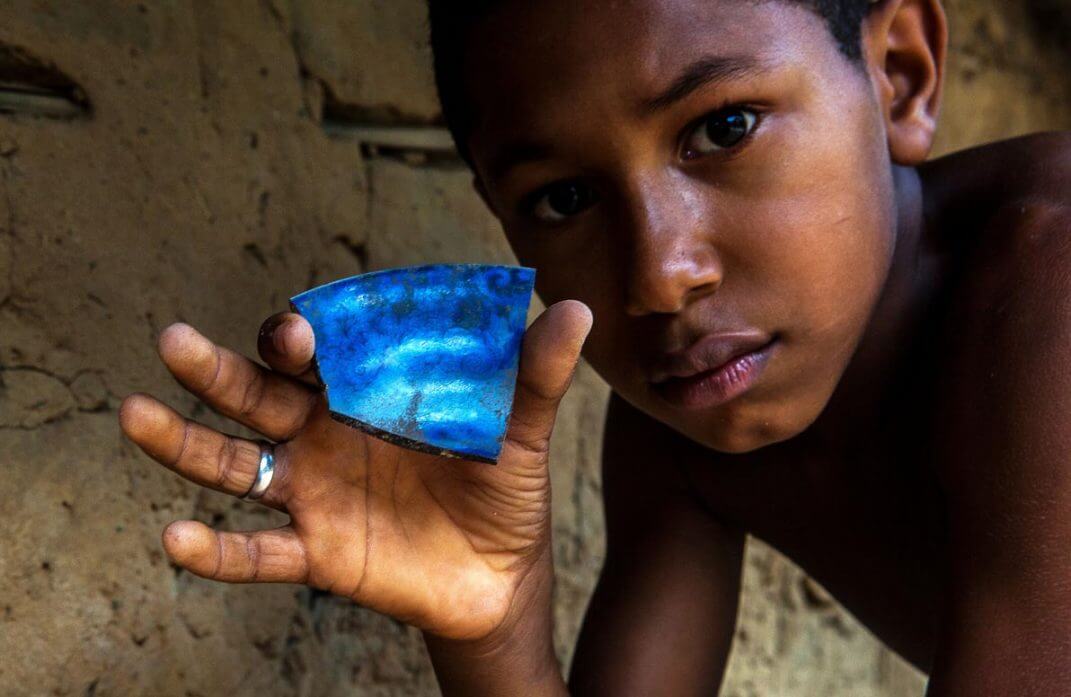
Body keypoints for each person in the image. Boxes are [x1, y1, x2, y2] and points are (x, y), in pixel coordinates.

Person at [118, 0, 1071, 694]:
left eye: (723, 127)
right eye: (564, 199)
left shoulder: (1047, 290)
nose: (659, 276)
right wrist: (491, 633)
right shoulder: (686, 426)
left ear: (898, 73)